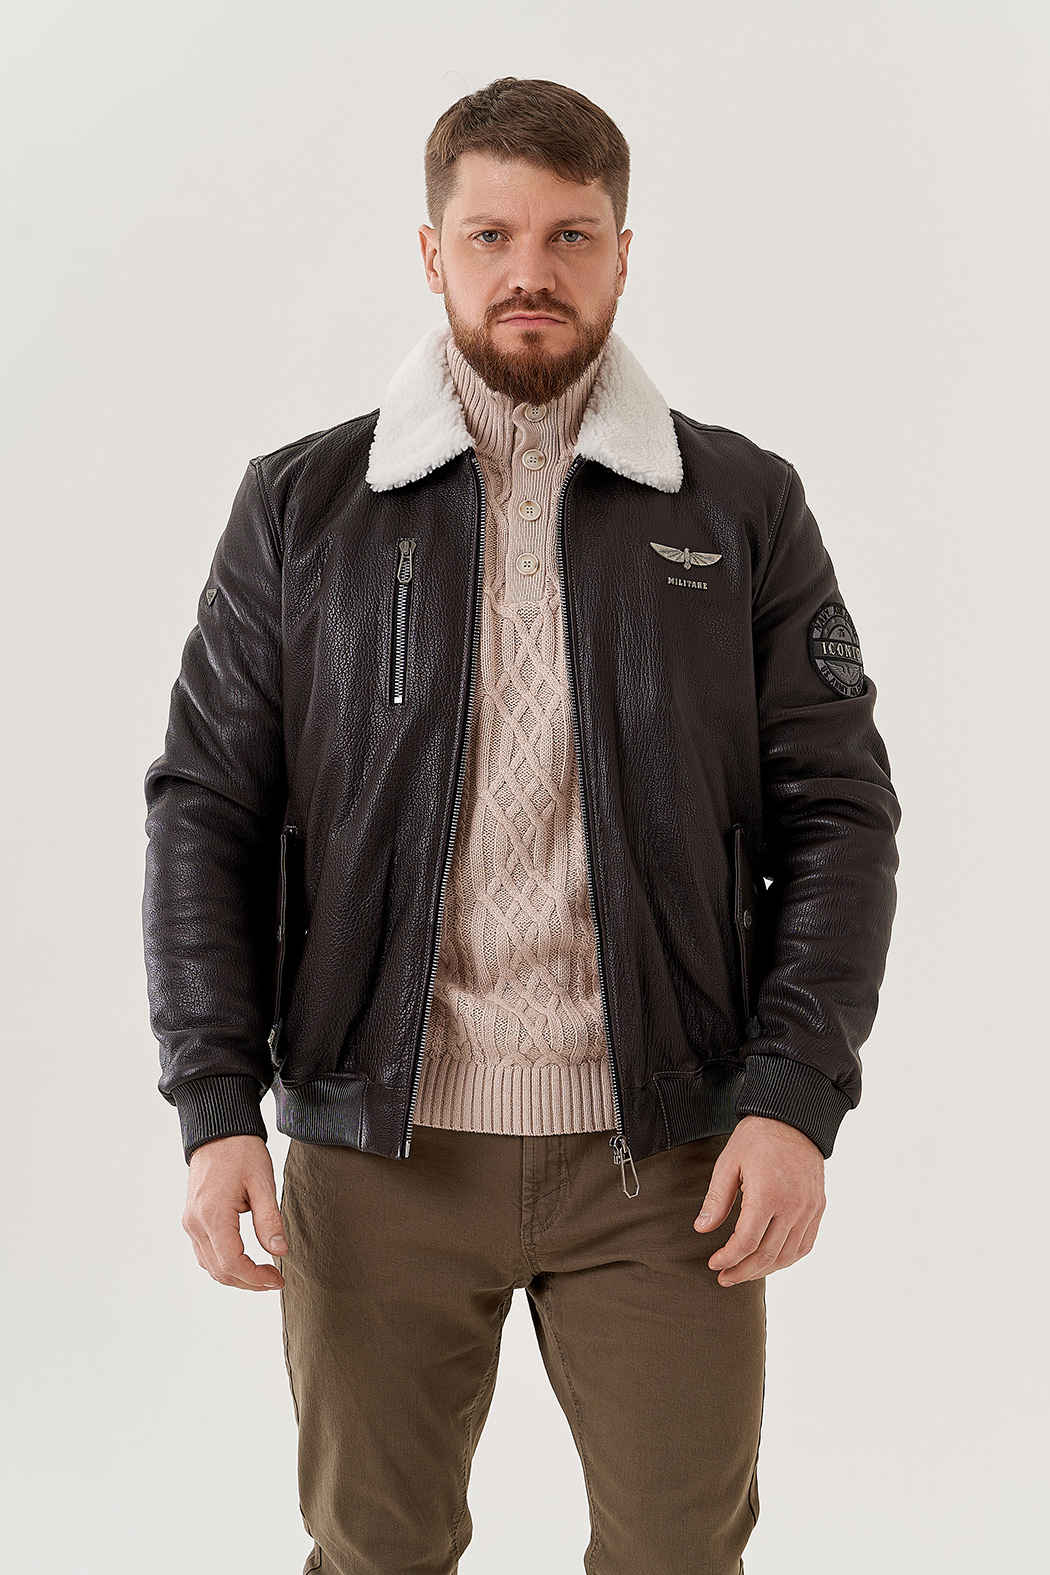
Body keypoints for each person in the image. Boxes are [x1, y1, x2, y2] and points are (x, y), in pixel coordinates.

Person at [142, 76, 900, 1575]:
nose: (529, 272)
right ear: (432, 252)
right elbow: (207, 812)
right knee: (374, 1552)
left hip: (669, 1155)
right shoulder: (301, 506)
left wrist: (794, 1094)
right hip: (378, 1151)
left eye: (570, 235)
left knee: (680, 1553)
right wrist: (213, 1107)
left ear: (623, 252)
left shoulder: (740, 505)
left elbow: (838, 814)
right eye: (490, 235)